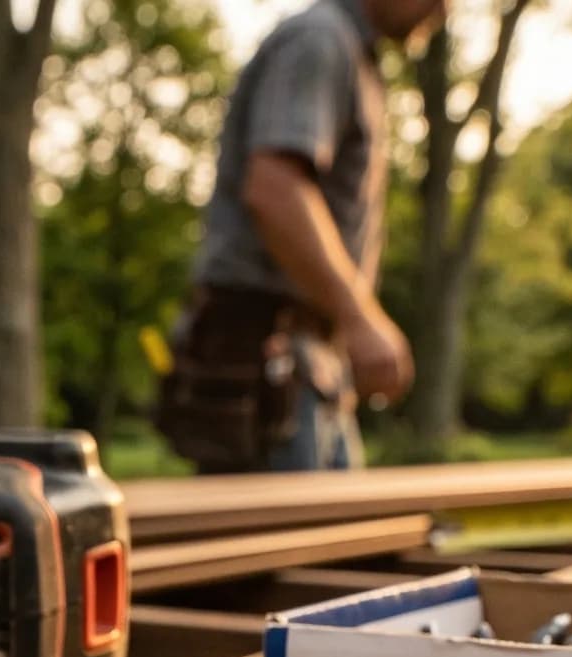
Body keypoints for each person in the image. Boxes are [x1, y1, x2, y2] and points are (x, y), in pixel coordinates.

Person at [157, 0, 445, 474]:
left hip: (310, 370)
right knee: (288, 544)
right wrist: (359, 316)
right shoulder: (320, 41)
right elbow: (275, 188)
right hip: (274, 365)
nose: (443, 9)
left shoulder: (352, 54)